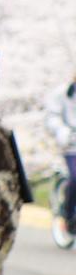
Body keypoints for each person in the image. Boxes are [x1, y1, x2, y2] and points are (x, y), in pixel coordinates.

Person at [45, 73, 76, 248]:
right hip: (72, 146)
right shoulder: (62, 94)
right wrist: (62, 131)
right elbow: (51, 118)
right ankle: (68, 214)